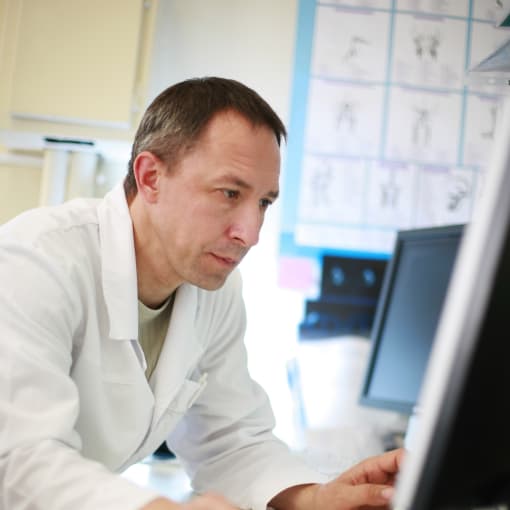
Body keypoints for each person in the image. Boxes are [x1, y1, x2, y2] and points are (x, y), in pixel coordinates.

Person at [0, 77, 404, 510]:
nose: (250, 233)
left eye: (264, 202)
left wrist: (315, 498)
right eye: (229, 193)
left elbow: (229, 440)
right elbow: (18, 457)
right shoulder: (36, 260)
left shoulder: (215, 290)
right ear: (151, 177)